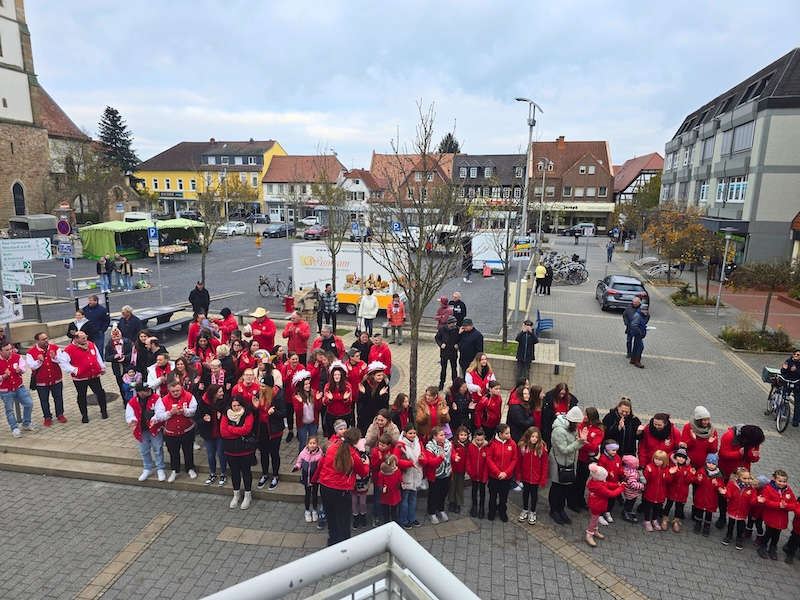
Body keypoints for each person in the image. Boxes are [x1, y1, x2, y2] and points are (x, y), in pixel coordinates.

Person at [313, 426, 370, 546]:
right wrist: (366, 462)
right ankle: (343, 548)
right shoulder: (354, 455)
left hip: (325, 487)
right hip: (342, 491)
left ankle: (332, 543)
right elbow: (363, 472)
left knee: (332, 520)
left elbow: (322, 464)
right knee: (343, 522)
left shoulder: (332, 446)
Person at [717, 424, 764, 529]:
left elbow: (754, 459)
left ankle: (736, 518)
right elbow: (723, 454)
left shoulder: (754, 440)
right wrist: (738, 453)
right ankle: (722, 516)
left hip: (743, 475)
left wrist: (754, 456)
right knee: (723, 496)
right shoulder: (729, 436)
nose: (755, 445)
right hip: (726, 472)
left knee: (740, 497)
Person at [548, 406, 588, 525]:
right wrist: (579, 442)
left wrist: (580, 441)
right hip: (558, 463)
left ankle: (560, 509)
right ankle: (554, 510)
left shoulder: (572, 428)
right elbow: (563, 449)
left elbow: (574, 444)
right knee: (557, 487)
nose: (577, 426)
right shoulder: (559, 431)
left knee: (565, 488)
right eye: (576, 424)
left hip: (569, 462)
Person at [57, 331, 107, 423]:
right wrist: (75, 370)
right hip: (80, 378)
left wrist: (102, 367)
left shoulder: (91, 344)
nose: (85, 339)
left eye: (85, 337)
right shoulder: (69, 349)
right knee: (82, 396)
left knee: (100, 393)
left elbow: (97, 356)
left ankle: (104, 411)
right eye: (83, 338)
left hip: (94, 375)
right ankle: (84, 416)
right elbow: (64, 363)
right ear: (76, 339)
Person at [153, 379, 197, 482]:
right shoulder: (163, 400)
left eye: (178, 390)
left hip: (187, 430)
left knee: (188, 451)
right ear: (169, 391)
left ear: (181, 388)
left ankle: (190, 468)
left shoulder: (189, 396)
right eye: (173, 391)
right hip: (171, 433)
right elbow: (159, 416)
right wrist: (170, 413)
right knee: (173, 452)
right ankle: (175, 470)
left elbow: (194, 410)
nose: (176, 393)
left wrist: (184, 411)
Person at [220, 395, 257, 510]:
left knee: (246, 472)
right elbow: (223, 432)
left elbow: (246, 430)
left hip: (244, 449)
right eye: (234, 406)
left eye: (238, 405)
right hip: (230, 450)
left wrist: (230, 429)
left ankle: (247, 495)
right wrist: (238, 432)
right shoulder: (226, 414)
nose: (236, 408)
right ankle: (236, 494)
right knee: (234, 473)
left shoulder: (248, 414)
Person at [125, 382, 166, 482]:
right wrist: (132, 420)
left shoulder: (156, 398)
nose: (149, 391)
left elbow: (160, 411)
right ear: (139, 392)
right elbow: (129, 415)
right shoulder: (132, 402)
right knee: (144, 451)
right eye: (146, 390)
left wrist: (155, 419)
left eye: (149, 389)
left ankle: (160, 468)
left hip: (154, 429)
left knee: (158, 449)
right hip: (141, 430)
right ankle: (147, 468)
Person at [25, 332, 66, 426]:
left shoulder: (55, 348)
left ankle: (60, 414)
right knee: (44, 400)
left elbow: (62, 360)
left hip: (56, 378)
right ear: (37, 341)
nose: (46, 340)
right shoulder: (30, 352)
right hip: (41, 382)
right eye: (43, 339)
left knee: (58, 398)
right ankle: (47, 417)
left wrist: (54, 357)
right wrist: (39, 361)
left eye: (46, 338)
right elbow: (32, 366)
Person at [253, 374, 286, 491]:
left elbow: (284, 413)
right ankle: (265, 474)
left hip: (274, 430)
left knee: (274, 453)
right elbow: (254, 412)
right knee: (263, 453)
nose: (260, 388)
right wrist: (255, 407)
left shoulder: (278, 396)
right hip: (262, 429)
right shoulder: (258, 394)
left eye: (263, 386)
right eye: (260, 385)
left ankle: (275, 475)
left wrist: (274, 412)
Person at [0, 342, 35, 437]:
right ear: (1, 351)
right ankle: (14, 428)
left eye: (10, 349)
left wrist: (21, 370)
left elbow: (24, 368)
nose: (10, 351)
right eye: (7, 350)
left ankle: (26, 423)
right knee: (9, 410)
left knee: (29, 403)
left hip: (19, 386)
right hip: (5, 390)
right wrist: (3, 376)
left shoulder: (17, 357)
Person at [585, 463, 623, 547]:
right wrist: (621, 488)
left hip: (596, 504)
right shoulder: (599, 486)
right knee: (594, 520)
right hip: (597, 505)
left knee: (595, 519)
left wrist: (617, 485)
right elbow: (611, 494)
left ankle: (594, 530)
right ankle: (589, 534)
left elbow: (607, 484)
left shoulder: (595, 481)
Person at [196, 383, 227, 486]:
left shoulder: (223, 401)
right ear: (214, 394)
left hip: (220, 433)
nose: (222, 393)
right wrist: (204, 420)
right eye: (220, 392)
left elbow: (229, 414)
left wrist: (222, 415)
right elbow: (197, 418)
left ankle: (223, 473)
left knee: (221, 454)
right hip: (208, 434)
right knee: (210, 455)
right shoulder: (203, 402)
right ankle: (212, 473)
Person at [575, 407, 605, 510]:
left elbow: (594, 446)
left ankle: (579, 499)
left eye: (586, 415)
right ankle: (576, 499)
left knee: (582, 480)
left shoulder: (598, 430)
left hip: (587, 459)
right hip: (577, 457)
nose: (584, 417)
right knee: (577, 480)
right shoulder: (582, 424)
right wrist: (583, 442)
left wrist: (581, 442)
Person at [486, 423, 516, 522]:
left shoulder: (512, 444)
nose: (509, 435)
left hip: (506, 477)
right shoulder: (492, 444)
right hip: (494, 477)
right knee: (493, 496)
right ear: (500, 434)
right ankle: (492, 511)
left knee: (504, 497)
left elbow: (514, 459)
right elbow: (489, 459)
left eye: (509, 433)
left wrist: (506, 473)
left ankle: (503, 511)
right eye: (507, 433)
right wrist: (498, 472)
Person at [517, 426, 548, 525]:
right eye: (532, 436)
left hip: (536, 477)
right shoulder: (523, 448)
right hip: (525, 477)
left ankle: (533, 512)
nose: (534, 439)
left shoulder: (541, 449)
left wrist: (543, 478)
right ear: (528, 437)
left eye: (536, 437)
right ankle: (525, 509)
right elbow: (519, 463)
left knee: (534, 495)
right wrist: (518, 476)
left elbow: (545, 465)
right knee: (525, 493)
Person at [722, 466, 757, 548]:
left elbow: (752, 501)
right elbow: (729, 496)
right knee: (731, 524)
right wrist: (724, 493)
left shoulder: (751, 488)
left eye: (748, 478)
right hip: (732, 509)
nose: (747, 480)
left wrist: (757, 500)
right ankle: (729, 535)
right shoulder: (731, 484)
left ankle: (739, 538)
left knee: (741, 526)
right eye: (744, 478)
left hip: (743, 511)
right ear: (738, 477)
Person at [398, 423, 424, 529]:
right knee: (404, 500)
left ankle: (412, 518)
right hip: (406, 476)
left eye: (414, 433)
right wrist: (409, 464)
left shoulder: (418, 443)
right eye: (410, 433)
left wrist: (423, 458)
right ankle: (403, 520)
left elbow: (423, 454)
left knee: (413, 499)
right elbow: (397, 460)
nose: (412, 435)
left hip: (416, 475)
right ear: (405, 433)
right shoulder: (400, 445)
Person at [692, 453, 726, 536]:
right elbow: (696, 481)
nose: (711, 465)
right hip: (701, 496)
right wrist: (698, 479)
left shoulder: (719, 475)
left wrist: (717, 484)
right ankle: (698, 524)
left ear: (716, 464)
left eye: (713, 464)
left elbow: (721, 486)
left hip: (711, 499)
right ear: (706, 462)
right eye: (709, 463)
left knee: (708, 514)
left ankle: (707, 527)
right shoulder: (701, 470)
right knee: (699, 512)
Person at [425, 426, 452, 524]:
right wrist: (440, 458)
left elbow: (451, 454)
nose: (444, 436)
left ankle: (441, 509)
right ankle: (431, 512)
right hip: (435, 475)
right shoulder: (429, 446)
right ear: (435, 436)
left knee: (443, 493)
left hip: (446, 473)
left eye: (444, 434)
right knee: (433, 494)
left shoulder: (448, 443)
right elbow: (431, 462)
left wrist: (454, 457)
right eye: (441, 435)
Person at [681, 405, 718, 475]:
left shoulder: (712, 431)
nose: (706, 422)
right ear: (698, 420)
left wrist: (710, 443)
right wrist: (692, 440)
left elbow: (714, 451)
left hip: (703, 466)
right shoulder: (688, 427)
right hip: (688, 464)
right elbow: (683, 447)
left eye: (708, 419)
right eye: (704, 420)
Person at [293, 435, 323, 522]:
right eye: (311, 443)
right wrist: (297, 467)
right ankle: (307, 510)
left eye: (314, 443)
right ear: (307, 444)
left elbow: (321, 465)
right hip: (306, 477)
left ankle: (314, 510)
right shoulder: (303, 453)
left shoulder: (320, 454)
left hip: (316, 478)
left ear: (317, 444)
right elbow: (299, 462)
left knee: (314, 494)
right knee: (307, 494)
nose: (312, 445)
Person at [541, 383, 578, 448]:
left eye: (563, 394)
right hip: (553, 425)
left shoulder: (570, 400)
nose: (562, 396)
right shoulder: (549, 399)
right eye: (560, 394)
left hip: (566, 426)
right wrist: (554, 414)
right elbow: (546, 413)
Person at [291, 369, 321, 450]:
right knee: (303, 443)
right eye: (305, 384)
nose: (308, 386)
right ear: (301, 386)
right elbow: (298, 413)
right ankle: (302, 459)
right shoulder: (296, 396)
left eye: (308, 384)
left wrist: (317, 400)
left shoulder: (313, 392)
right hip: (302, 424)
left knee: (314, 443)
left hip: (313, 423)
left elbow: (318, 409)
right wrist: (300, 402)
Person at [322, 362, 353, 438]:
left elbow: (350, 401)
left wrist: (345, 399)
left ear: (342, 376)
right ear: (332, 376)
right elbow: (325, 402)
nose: (337, 376)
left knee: (344, 437)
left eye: (339, 375)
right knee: (332, 436)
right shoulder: (328, 386)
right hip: (331, 415)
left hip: (345, 415)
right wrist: (330, 400)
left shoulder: (348, 385)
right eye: (335, 375)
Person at [642, 449, 670, 531]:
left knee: (657, 508)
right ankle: (647, 521)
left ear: (664, 461)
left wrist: (669, 475)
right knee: (648, 507)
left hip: (661, 494)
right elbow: (646, 479)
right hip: (650, 493)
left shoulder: (666, 469)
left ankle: (654, 520)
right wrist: (648, 472)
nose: (657, 461)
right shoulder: (649, 467)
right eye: (656, 459)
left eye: (660, 460)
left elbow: (669, 481)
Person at [597, 439, 623, 525]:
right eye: (613, 450)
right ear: (607, 449)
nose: (615, 452)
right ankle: (600, 515)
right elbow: (600, 470)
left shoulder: (617, 457)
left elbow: (620, 468)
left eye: (616, 450)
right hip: (605, 483)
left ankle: (607, 511)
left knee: (612, 499)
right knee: (603, 499)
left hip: (614, 483)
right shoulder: (603, 458)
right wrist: (608, 473)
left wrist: (622, 472)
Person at [104, 326, 133, 404]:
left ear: (121, 335)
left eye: (118, 336)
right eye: (114, 336)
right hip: (118, 369)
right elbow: (106, 357)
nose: (116, 338)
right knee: (121, 386)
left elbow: (132, 353)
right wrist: (114, 357)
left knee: (131, 384)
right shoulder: (109, 345)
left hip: (128, 367)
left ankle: (133, 399)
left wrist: (125, 357)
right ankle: (125, 401)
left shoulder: (127, 342)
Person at [466, 428, 489, 518]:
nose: (479, 442)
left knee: (482, 492)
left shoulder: (487, 447)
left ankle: (482, 507)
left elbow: (487, 463)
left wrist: (485, 476)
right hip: (474, 475)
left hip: (483, 475)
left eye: (481, 440)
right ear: (474, 438)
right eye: (477, 440)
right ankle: (474, 506)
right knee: (474, 491)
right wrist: (470, 472)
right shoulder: (471, 446)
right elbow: (468, 460)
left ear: (484, 438)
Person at [447, 425, 469, 514]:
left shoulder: (468, 445)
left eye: (465, 435)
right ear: (457, 435)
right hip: (453, 470)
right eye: (461, 435)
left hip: (462, 470)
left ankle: (458, 503)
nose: (463, 437)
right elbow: (450, 455)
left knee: (460, 487)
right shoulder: (453, 444)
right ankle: (451, 502)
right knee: (452, 486)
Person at [435, 316, 459, 390]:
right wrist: (441, 344)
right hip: (444, 352)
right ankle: (441, 384)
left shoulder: (457, 329)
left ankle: (455, 385)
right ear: (449, 323)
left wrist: (458, 344)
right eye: (452, 324)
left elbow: (460, 339)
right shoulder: (442, 329)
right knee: (443, 369)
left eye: (455, 323)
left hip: (453, 352)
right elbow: (437, 338)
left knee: (454, 369)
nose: (454, 325)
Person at [620, 455, 645, 523]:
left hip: (629, 491)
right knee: (630, 503)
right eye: (637, 463)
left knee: (629, 502)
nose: (638, 464)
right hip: (631, 492)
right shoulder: (632, 474)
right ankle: (626, 512)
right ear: (632, 465)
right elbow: (633, 484)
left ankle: (627, 511)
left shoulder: (628, 469)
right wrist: (642, 486)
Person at [780, 348, 800, 426]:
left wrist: (796, 370)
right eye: (794, 354)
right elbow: (783, 371)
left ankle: (796, 420)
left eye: (798, 355)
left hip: (797, 384)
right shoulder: (788, 361)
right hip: (787, 382)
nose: (795, 355)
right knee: (785, 398)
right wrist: (784, 369)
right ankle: (783, 414)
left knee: (797, 403)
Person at [629, 304, 649, 368]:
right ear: (642, 310)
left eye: (647, 310)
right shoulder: (638, 316)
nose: (646, 312)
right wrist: (640, 332)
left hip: (638, 334)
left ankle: (633, 359)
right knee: (640, 347)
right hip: (638, 334)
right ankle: (637, 362)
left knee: (636, 346)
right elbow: (634, 325)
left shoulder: (641, 315)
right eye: (645, 310)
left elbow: (640, 324)